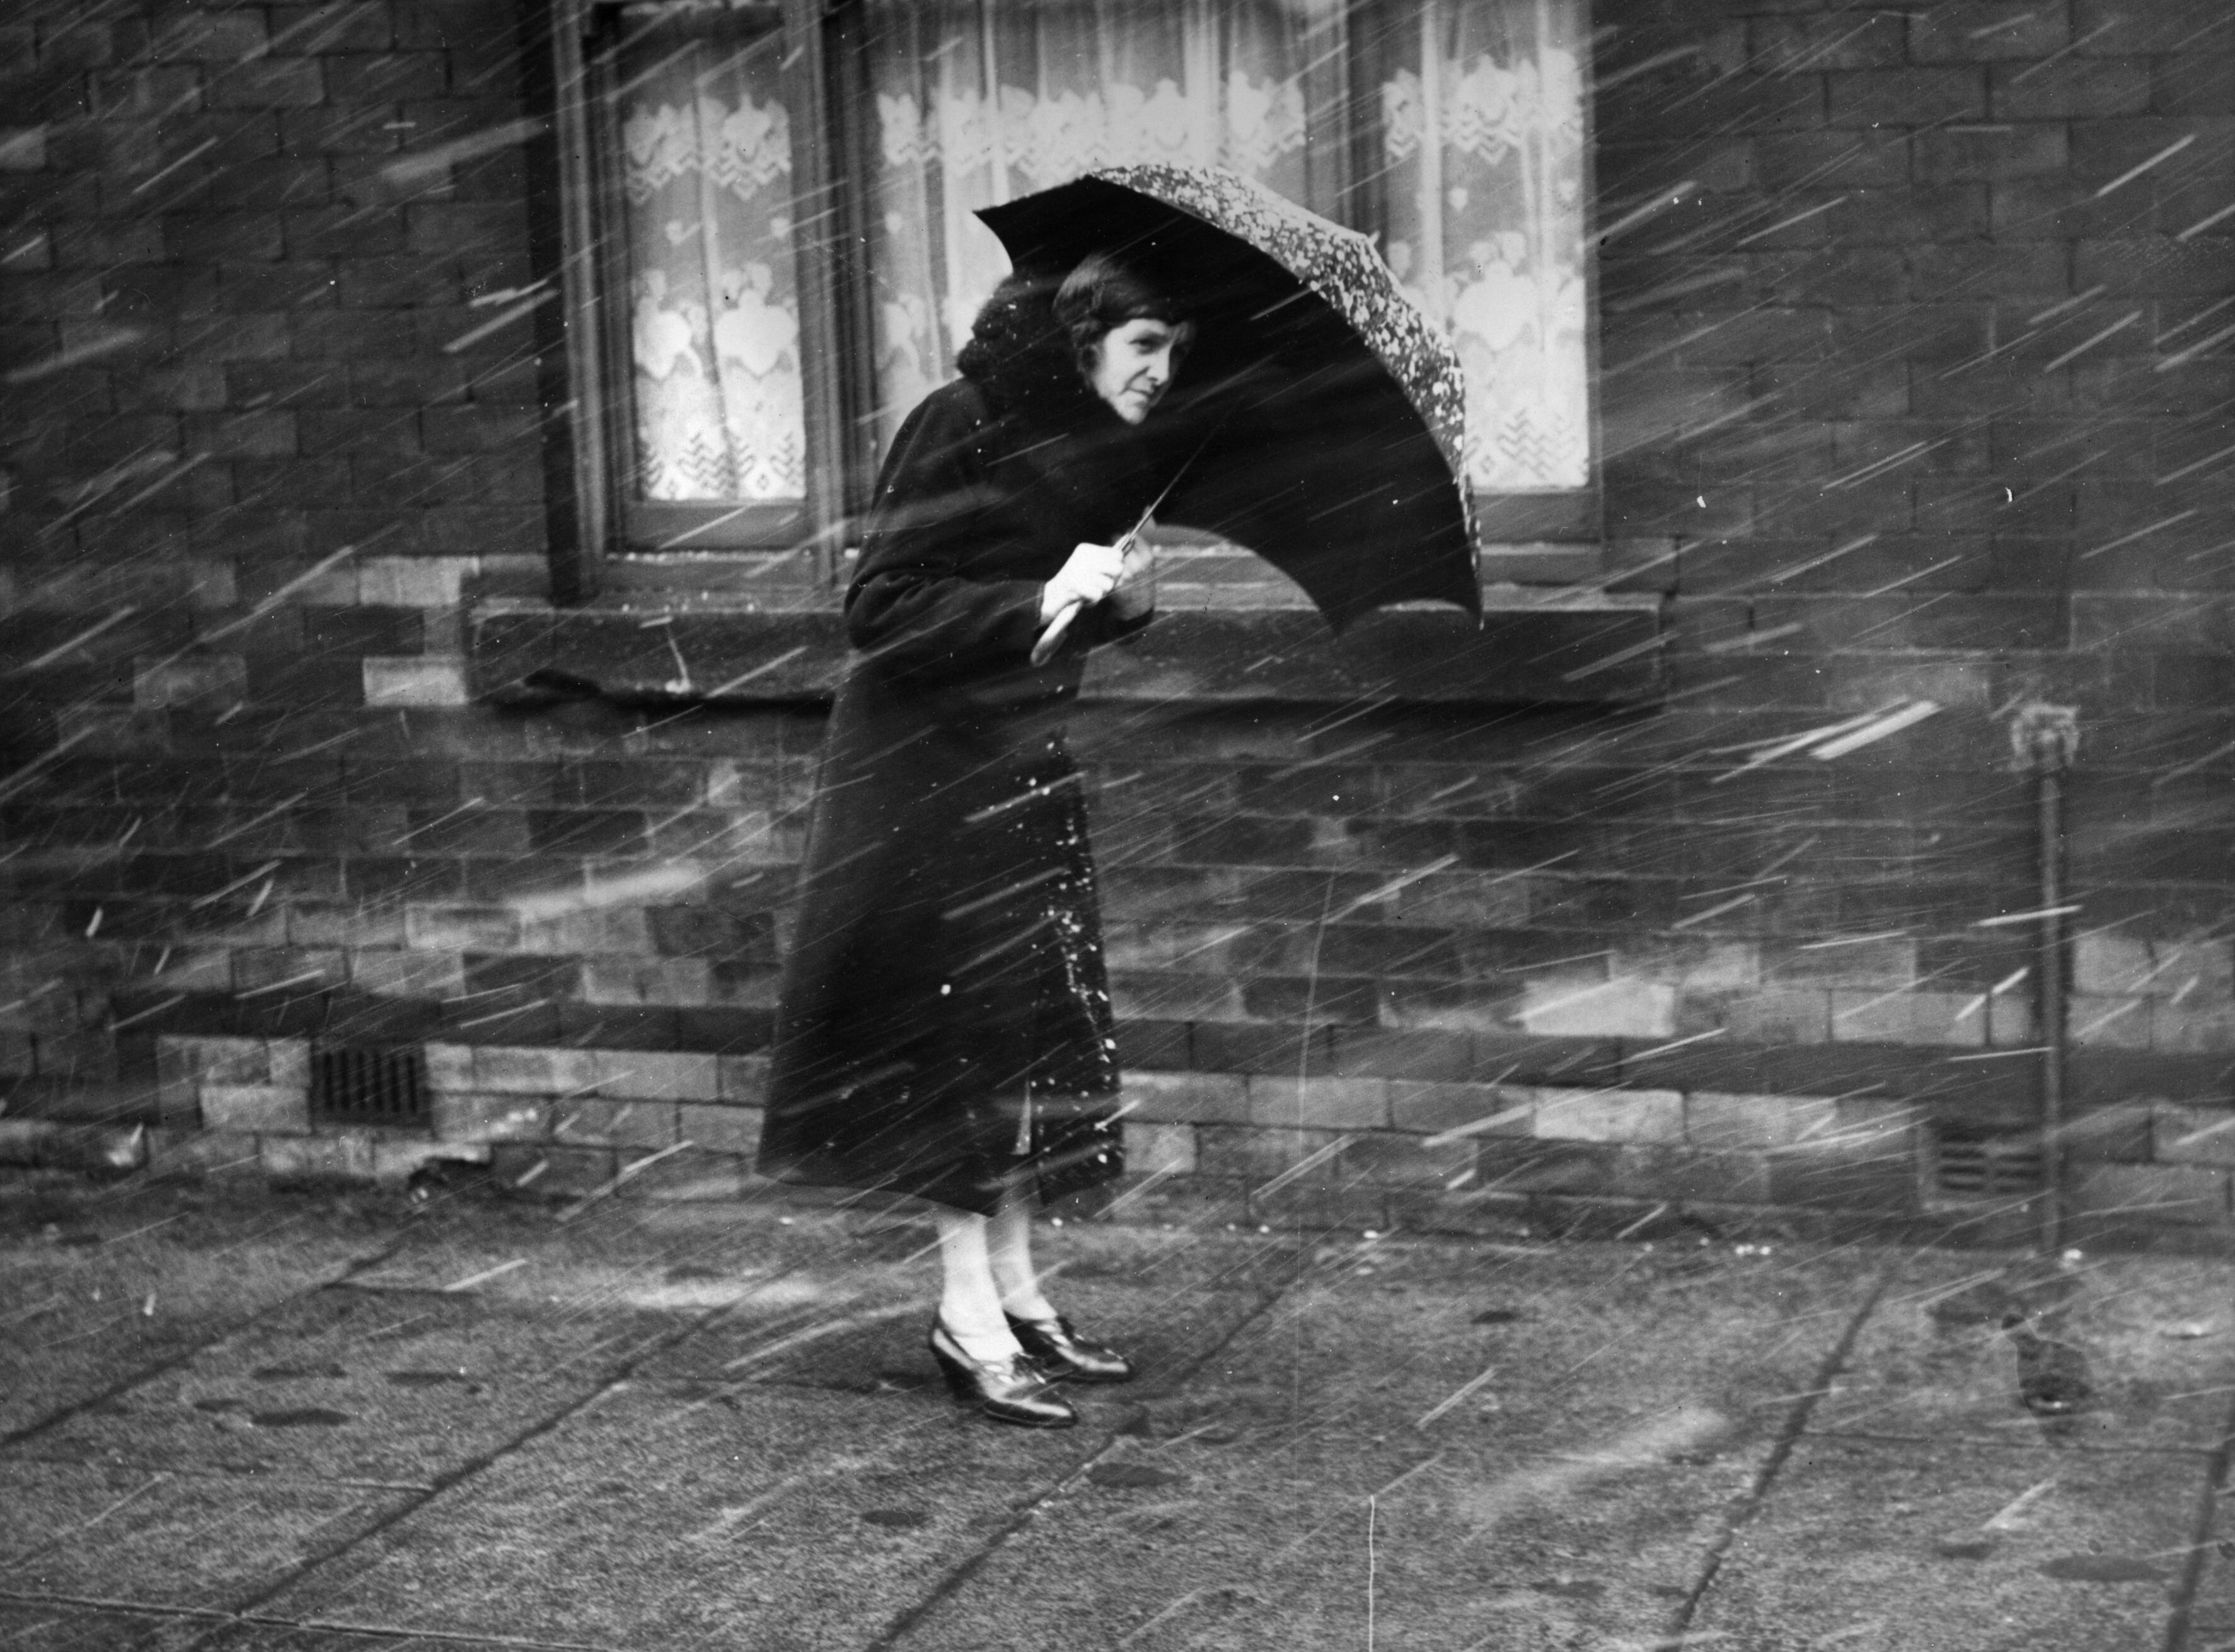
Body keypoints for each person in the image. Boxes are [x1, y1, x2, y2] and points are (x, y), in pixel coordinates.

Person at [758, 253, 1193, 1428]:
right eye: (1145, 344)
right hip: (922, 778)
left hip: (1015, 771)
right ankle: (964, 1310)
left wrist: (1122, 602)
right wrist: (1041, 592)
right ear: (1083, 335)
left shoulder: (1100, 452)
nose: (1162, 372)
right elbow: (882, 608)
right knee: (960, 1036)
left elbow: (1051, 620)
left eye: (1174, 351)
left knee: (1025, 1032)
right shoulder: (959, 422)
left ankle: (1018, 1291)